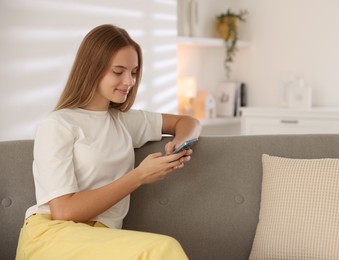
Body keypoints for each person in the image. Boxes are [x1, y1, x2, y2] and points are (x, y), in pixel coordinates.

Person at [16, 24, 201, 260]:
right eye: (118, 71)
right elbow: (63, 210)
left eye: (133, 72)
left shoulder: (124, 121)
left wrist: (180, 143)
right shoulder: (58, 124)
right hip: (53, 235)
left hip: (102, 239)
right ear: (92, 69)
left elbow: (188, 121)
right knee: (162, 250)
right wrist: (139, 176)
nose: (129, 81)